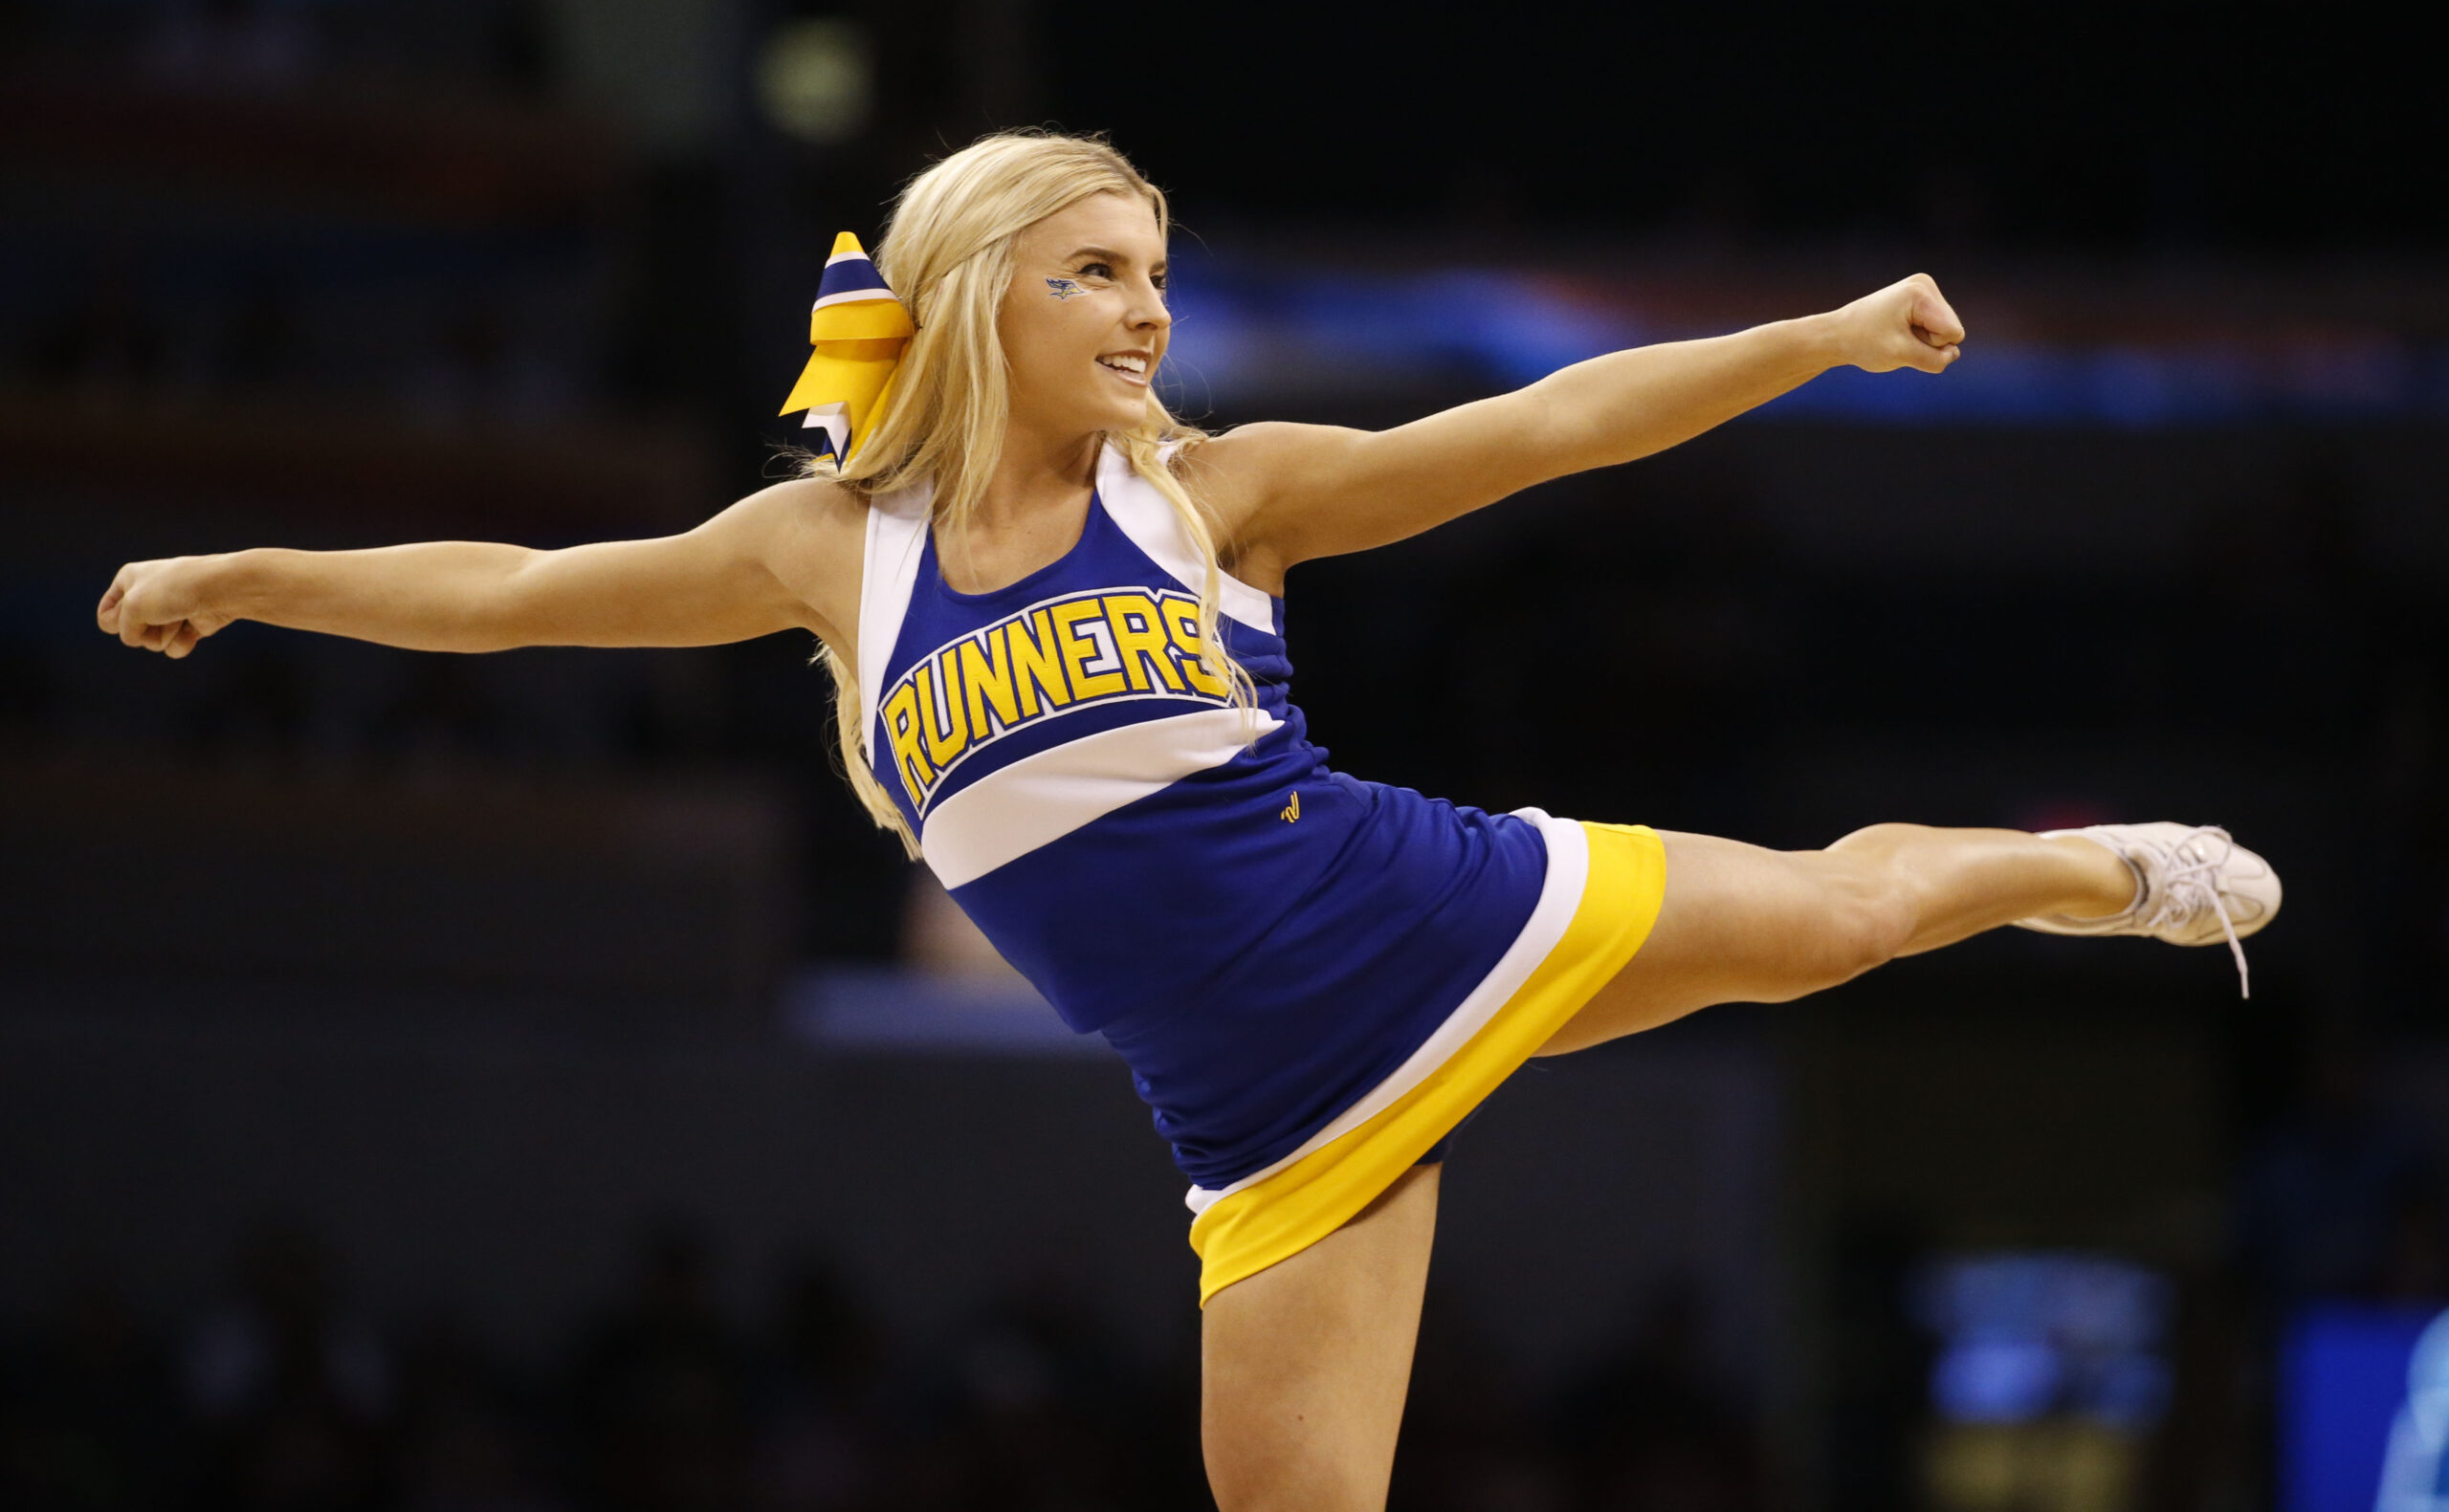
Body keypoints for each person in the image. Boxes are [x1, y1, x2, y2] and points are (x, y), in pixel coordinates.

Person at [98, 130, 2280, 1512]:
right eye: (1096, 273)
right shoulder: (822, 547)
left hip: (1413, 915)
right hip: (1247, 1109)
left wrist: (1807, 335)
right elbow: (511, 598)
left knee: (1825, 925)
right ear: (974, 299)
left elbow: (1538, 424)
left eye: (1154, 271)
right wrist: (248, 573)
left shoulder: (1209, 493)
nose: (1148, 310)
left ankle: (2085, 870)